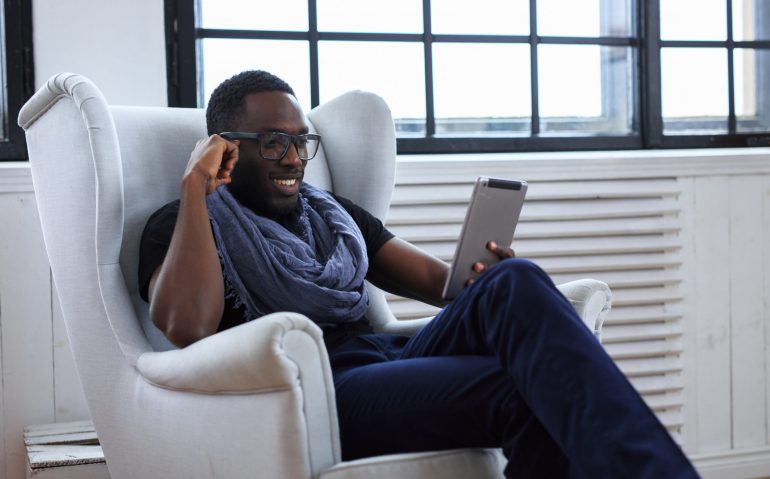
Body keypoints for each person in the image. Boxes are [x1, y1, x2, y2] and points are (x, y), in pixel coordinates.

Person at [138, 70, 698, 478]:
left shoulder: (331, 216)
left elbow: (440, 286)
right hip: (324, 390)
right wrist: (194, 189)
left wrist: (484, 274)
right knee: (524, 390)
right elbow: (187, 326)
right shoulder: (182, 226)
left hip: (390, 357)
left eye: (301, 142)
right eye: (272, 142)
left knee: (516, 278)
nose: (291, 158)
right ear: (223, 149)